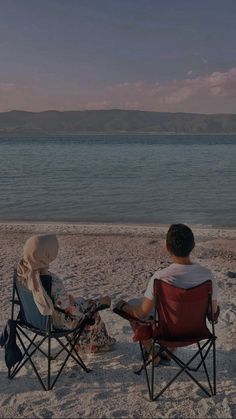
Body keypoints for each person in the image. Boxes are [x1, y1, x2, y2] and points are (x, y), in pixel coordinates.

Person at [115, 223, 219, 363]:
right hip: (196, 332)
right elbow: (212, 313)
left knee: (135, 304)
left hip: (166, 333)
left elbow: (140, 313)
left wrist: (124, 307)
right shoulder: (208, 277)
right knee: (179, 312)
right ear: (193, 245)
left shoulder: (160, 278)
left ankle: (153, 354)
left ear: (167, 247)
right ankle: (169, 352)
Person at [17, 234, 115, 354]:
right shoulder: (51, 281)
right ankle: (100, 344)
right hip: (55, 324)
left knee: (82, 303)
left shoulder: (21, 274)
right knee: (92, 312)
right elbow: (65, 307)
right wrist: (81, 306)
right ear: (47, 255)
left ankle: (83, 344)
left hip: (31, 320)